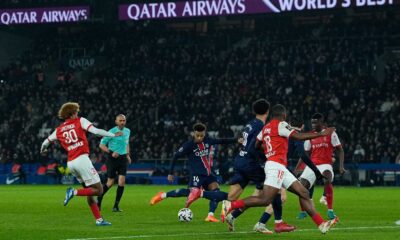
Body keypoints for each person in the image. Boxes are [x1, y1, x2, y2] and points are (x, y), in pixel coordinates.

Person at [221, 104, 338, 234]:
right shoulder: (282, 125)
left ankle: (321, 224)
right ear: (283, 115)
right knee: (265, 200)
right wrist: (322, 133)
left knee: (303, 192)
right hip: (275, 166)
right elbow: (298, 136)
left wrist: (268, 151)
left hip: (278, 166)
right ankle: (230, 205)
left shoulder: (265, 128)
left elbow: (256, 144)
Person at [188, 99, 295, 234]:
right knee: (278, 193)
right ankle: (274, 223)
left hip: (240, 161)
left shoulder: (250, 124)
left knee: (233, 196)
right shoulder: (260, 126)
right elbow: (253, 148)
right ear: (267, 112)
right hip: (250, 164)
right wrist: (268, 154)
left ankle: (202, 194)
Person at [40, 102, 122, 226]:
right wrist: (112, 134)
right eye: (76, 112)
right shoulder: (80, 121)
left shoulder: (58, 130)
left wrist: (43, 150)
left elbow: (45, 143)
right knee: (99, 190)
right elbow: (96, 131)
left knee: (89, 191)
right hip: (82, 160)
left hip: (71, 163)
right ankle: (73, 192)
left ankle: (99, 220)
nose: (78, 113)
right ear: (72, 113)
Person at [150, 122, 241, 222]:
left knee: (216, 192)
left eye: (201, 135)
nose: (199, 138)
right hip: (196, 175)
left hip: (208, 174)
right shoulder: (189, 145)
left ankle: (210, 215)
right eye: (197, 135)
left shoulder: (208, 141)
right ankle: (162, 195)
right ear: (194, 134)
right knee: (189, 193)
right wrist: (170, 173)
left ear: (204, 134)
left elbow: (221, 141)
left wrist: (236, 140)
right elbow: (176, 156)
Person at [297, 113, 345, 220]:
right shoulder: (310, 135)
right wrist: (298, 168)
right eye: (312, 122)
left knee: (327, 178)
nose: (313, 125)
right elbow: (305, 154)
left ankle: (330, 210)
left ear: (321, 123)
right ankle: (302, 212)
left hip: (325, 165)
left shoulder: (330, 133)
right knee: (301, 187)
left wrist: (341, 166)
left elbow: (340, 150)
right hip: (312, 165)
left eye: (315, 122)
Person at [97, 114, 131, 212]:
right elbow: (101, 145)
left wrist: (128, 155)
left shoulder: (128, 131)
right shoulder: (111, 132)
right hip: (112, 159)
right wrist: (111, 152)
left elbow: (127, 142)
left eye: (124, 120)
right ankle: (99, 198)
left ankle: (116, 206)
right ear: (116, 121)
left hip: (123, 158)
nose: (122, 122)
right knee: (110, 183)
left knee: (122, 182)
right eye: (120, 120)